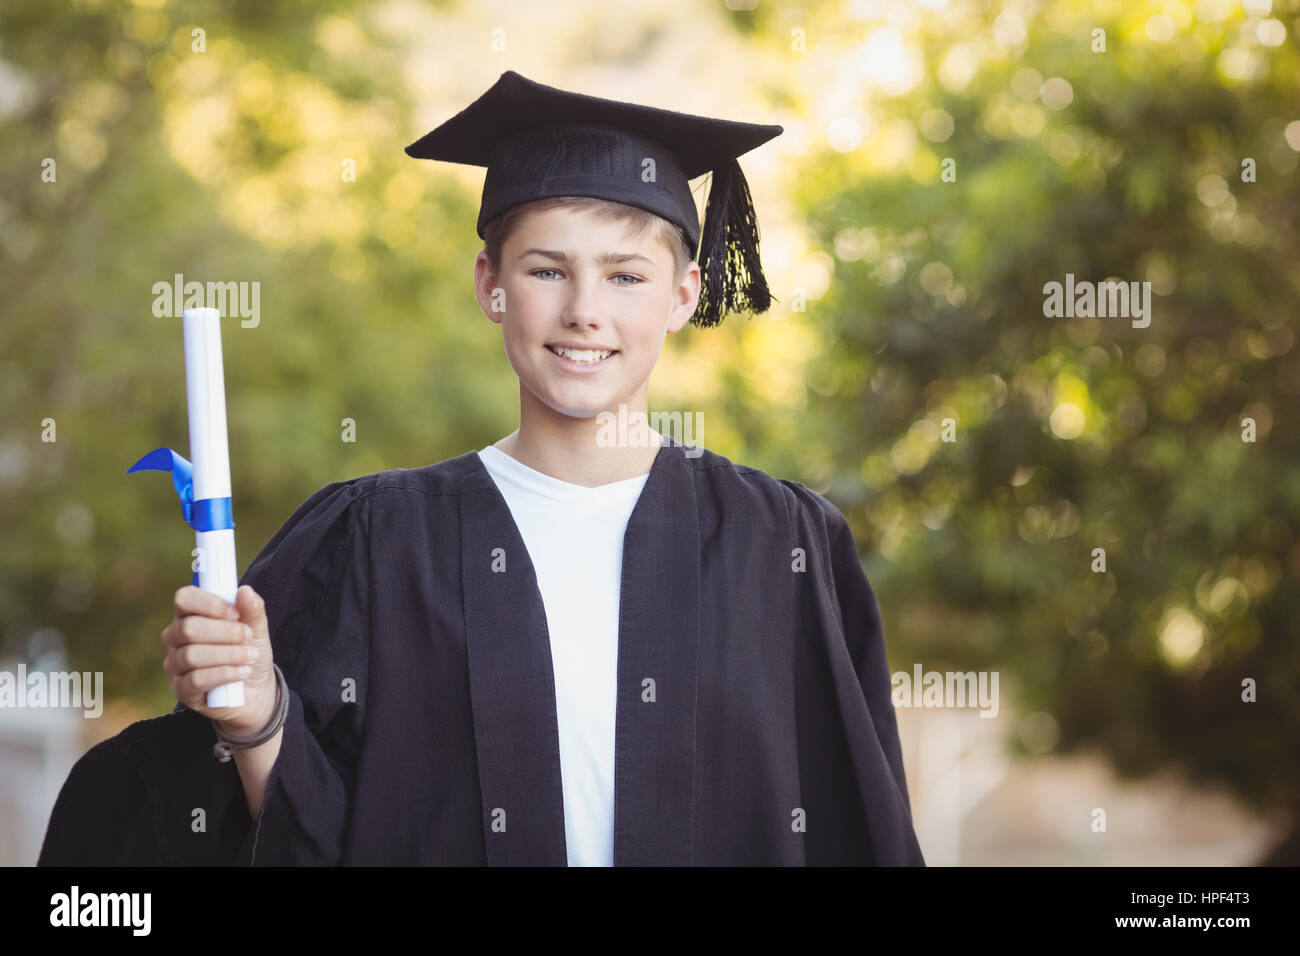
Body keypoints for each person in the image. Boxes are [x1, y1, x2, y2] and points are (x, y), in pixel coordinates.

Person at [38, 71, 924, 866]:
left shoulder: (785, 546)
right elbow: (305, 834)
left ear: (684, 295)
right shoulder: (373, 540)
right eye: (547, 270)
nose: (584, 312)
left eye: (625, 276)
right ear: (490, 284)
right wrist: (256, 717)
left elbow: (856, 827)